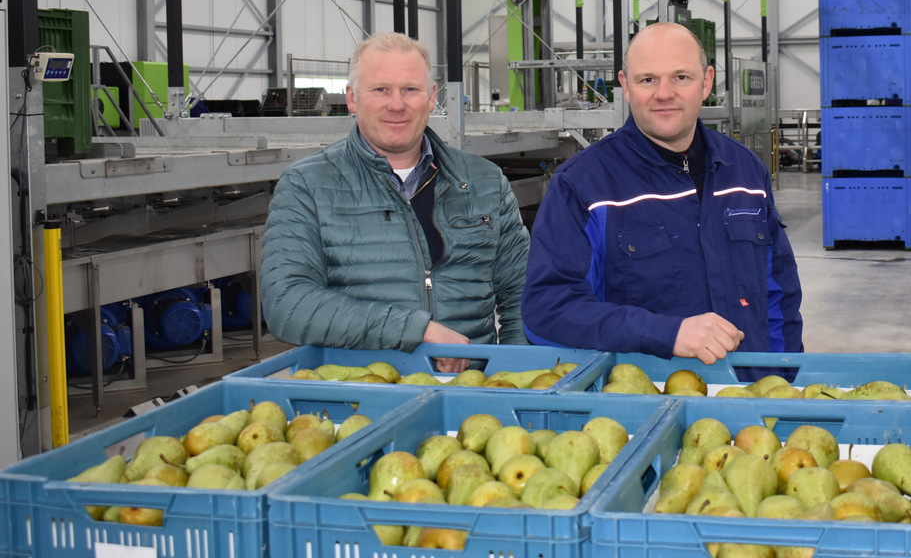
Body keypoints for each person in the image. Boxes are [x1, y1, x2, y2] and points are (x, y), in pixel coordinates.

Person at [521, 22, 803, 364]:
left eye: (681, 77)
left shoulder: (745, 171)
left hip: (750, 390)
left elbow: (780, 294)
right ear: (626, 86)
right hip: (646, 392)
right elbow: (548, 310)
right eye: (647, 80)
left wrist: (783, 377)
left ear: (706, 82)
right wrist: (666, 334)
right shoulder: (583, 186)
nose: (664, 93)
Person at [261, 31, 529, 370]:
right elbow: (287, 304)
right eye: (381, 90)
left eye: (410, 89)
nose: (397, 104)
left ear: (431, 97)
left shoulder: (484, 182)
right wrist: (415, 330)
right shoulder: (307, 185)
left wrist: (514, 373)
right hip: (357, 391)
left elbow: (523, 292)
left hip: (471, 390)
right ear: (352, 98)